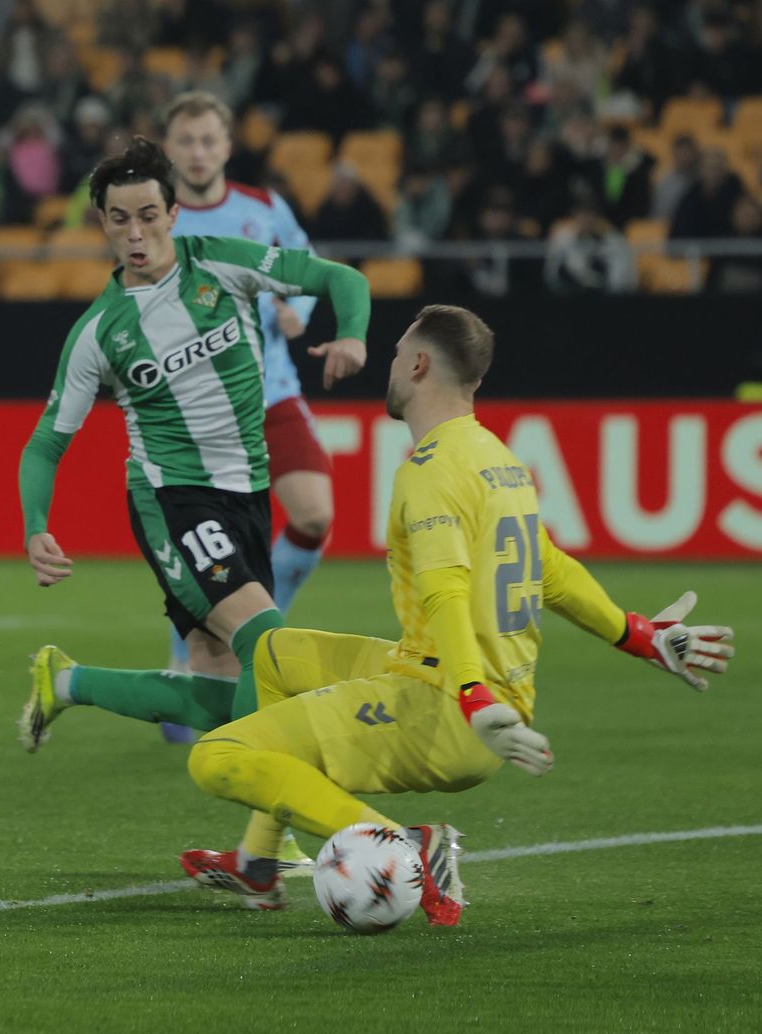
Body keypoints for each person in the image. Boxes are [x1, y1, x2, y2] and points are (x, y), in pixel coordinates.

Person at [179, 305, 735, 926]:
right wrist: (636, 634)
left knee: (216, 757)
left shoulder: (430, 471)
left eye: (395, 355)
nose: (389, 366)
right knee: (274, 653)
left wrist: (470, 694)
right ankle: (260, 862)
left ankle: (403, 844)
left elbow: (445, 589)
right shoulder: (499, 460)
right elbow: (549, 568)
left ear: (417, 365)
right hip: (471, 694)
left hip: (444, 707)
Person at [15, 138, 370, 759]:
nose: (136, 234)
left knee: (227, 699)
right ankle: (288, 835)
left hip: (249, 496)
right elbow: (47, 441)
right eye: (120, 219)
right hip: (173, 501)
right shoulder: (99, 332)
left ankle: (69, 682)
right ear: (102, 224)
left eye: (149, 216)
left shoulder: (223, 264)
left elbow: (336, 276)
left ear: (174, 216)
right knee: (271, 647)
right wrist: (36, 525)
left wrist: (352, 337)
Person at [157, 92, 369, 745]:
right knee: (211, 545)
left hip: (271, 393)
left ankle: (254, 632)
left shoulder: (264, 210)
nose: (197, 152)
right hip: (194, 409)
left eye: (208, 140)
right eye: (186, 141)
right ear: (171, 149)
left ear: (226, 146)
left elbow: (306, 281)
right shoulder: (156, 221)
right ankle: (186, 654)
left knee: (313, 515)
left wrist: (296, 315)